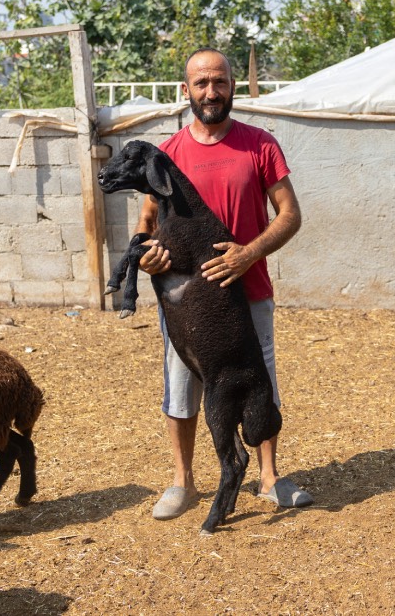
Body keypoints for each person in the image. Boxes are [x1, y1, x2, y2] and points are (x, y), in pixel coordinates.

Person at [134, 47, 313, 521]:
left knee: (259, 382)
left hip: (248, 291)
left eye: (219, 82)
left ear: (233, 85)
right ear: (185, 91)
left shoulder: (260, 144)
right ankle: (183, 483)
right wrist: (148, 256)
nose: (211, 92)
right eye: (201, 83)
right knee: (181, 385)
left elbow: (290, 215)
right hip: (186, 302)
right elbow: (148, 222)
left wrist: (248, 252)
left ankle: (270, 478)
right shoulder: (167, 154)